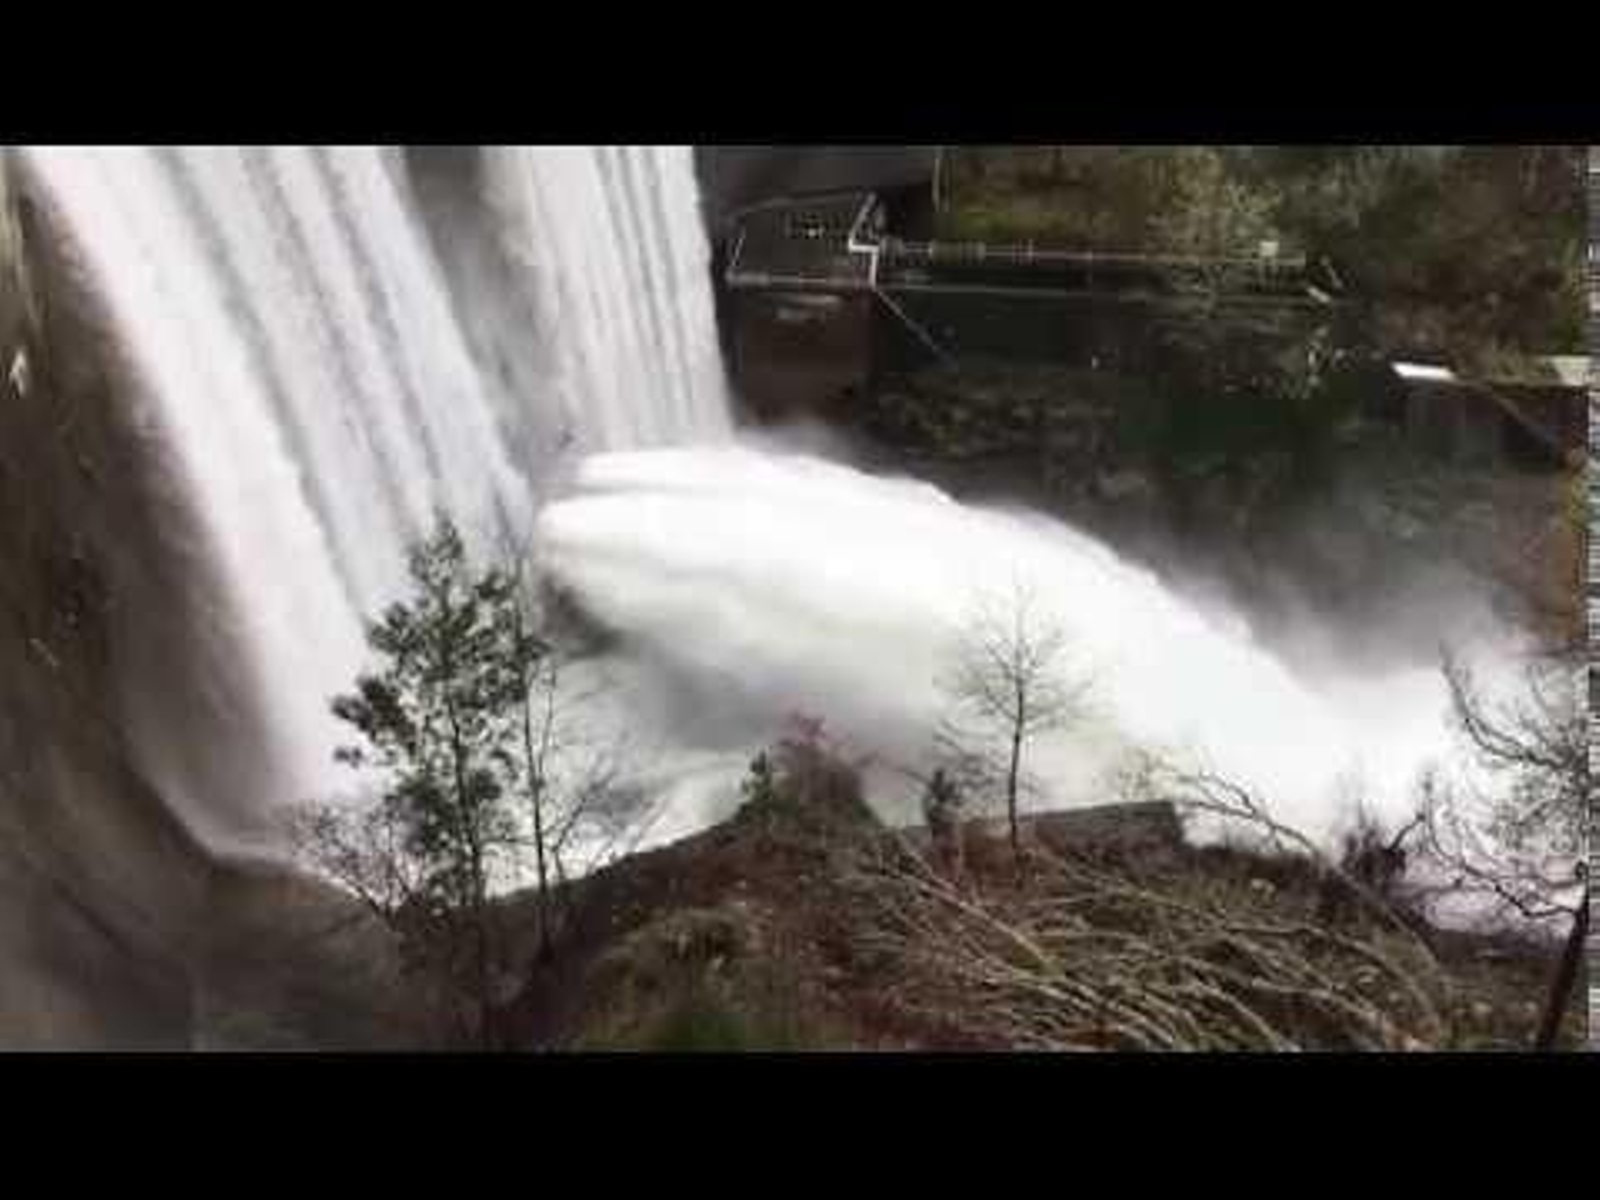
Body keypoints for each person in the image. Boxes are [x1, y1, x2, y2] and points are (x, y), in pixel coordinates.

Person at [924, 768, 965, 877]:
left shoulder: (949, 797)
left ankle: (953, 878)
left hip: (949, 833)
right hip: (942, 834)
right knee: (943, 859)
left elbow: (960, 802)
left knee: (953, 857)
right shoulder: (933, 804)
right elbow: (928, 812)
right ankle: (948, 878)